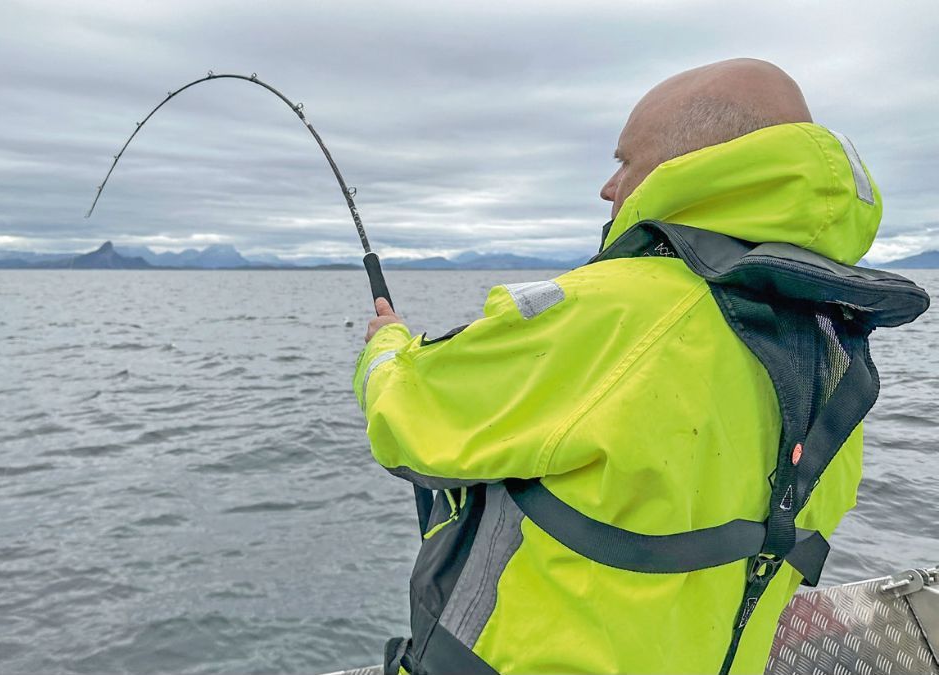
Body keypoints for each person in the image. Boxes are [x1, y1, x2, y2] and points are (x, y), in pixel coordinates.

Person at [355, 59, 929, 675]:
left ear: (686, 165)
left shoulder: (608, 310)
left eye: (624, 161)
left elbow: (408, 421)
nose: (609, 188)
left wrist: (387, 345)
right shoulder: (833, 343)